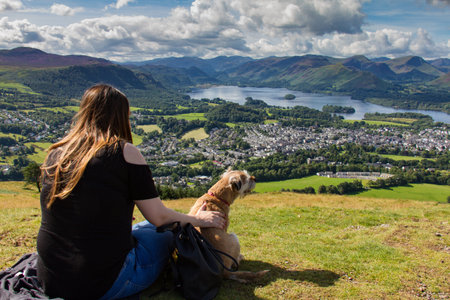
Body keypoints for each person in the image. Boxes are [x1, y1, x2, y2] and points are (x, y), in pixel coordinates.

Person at [37, 84, 226, 300]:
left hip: (51, 278)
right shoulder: (124, 152)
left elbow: (72, 209)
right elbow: (160, 217)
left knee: (145, 227)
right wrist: (198, 219)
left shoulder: (57, 153)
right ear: (121, 116)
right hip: (102, 283)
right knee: (167, 234)